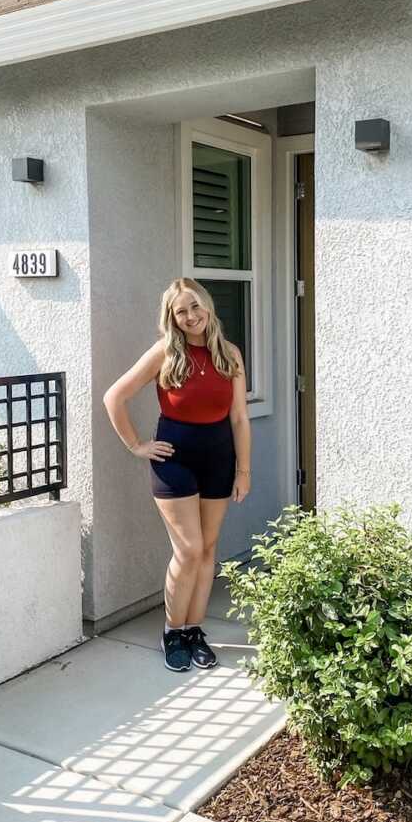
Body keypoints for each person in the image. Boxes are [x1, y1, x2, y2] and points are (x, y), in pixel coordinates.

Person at [103, 277, 251, 672]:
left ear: (207, 306)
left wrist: (244, 470)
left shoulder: (229, 354)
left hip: (219, 460)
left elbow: (239, 417)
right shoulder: (165, 352)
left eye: (195, 306)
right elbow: (114, 396)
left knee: (206, 551)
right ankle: (173, 630)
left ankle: (193, 630)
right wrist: (137, 444)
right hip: (175, 461)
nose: (190, 316)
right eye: (181, 311)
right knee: (187, 549)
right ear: (172, 317)